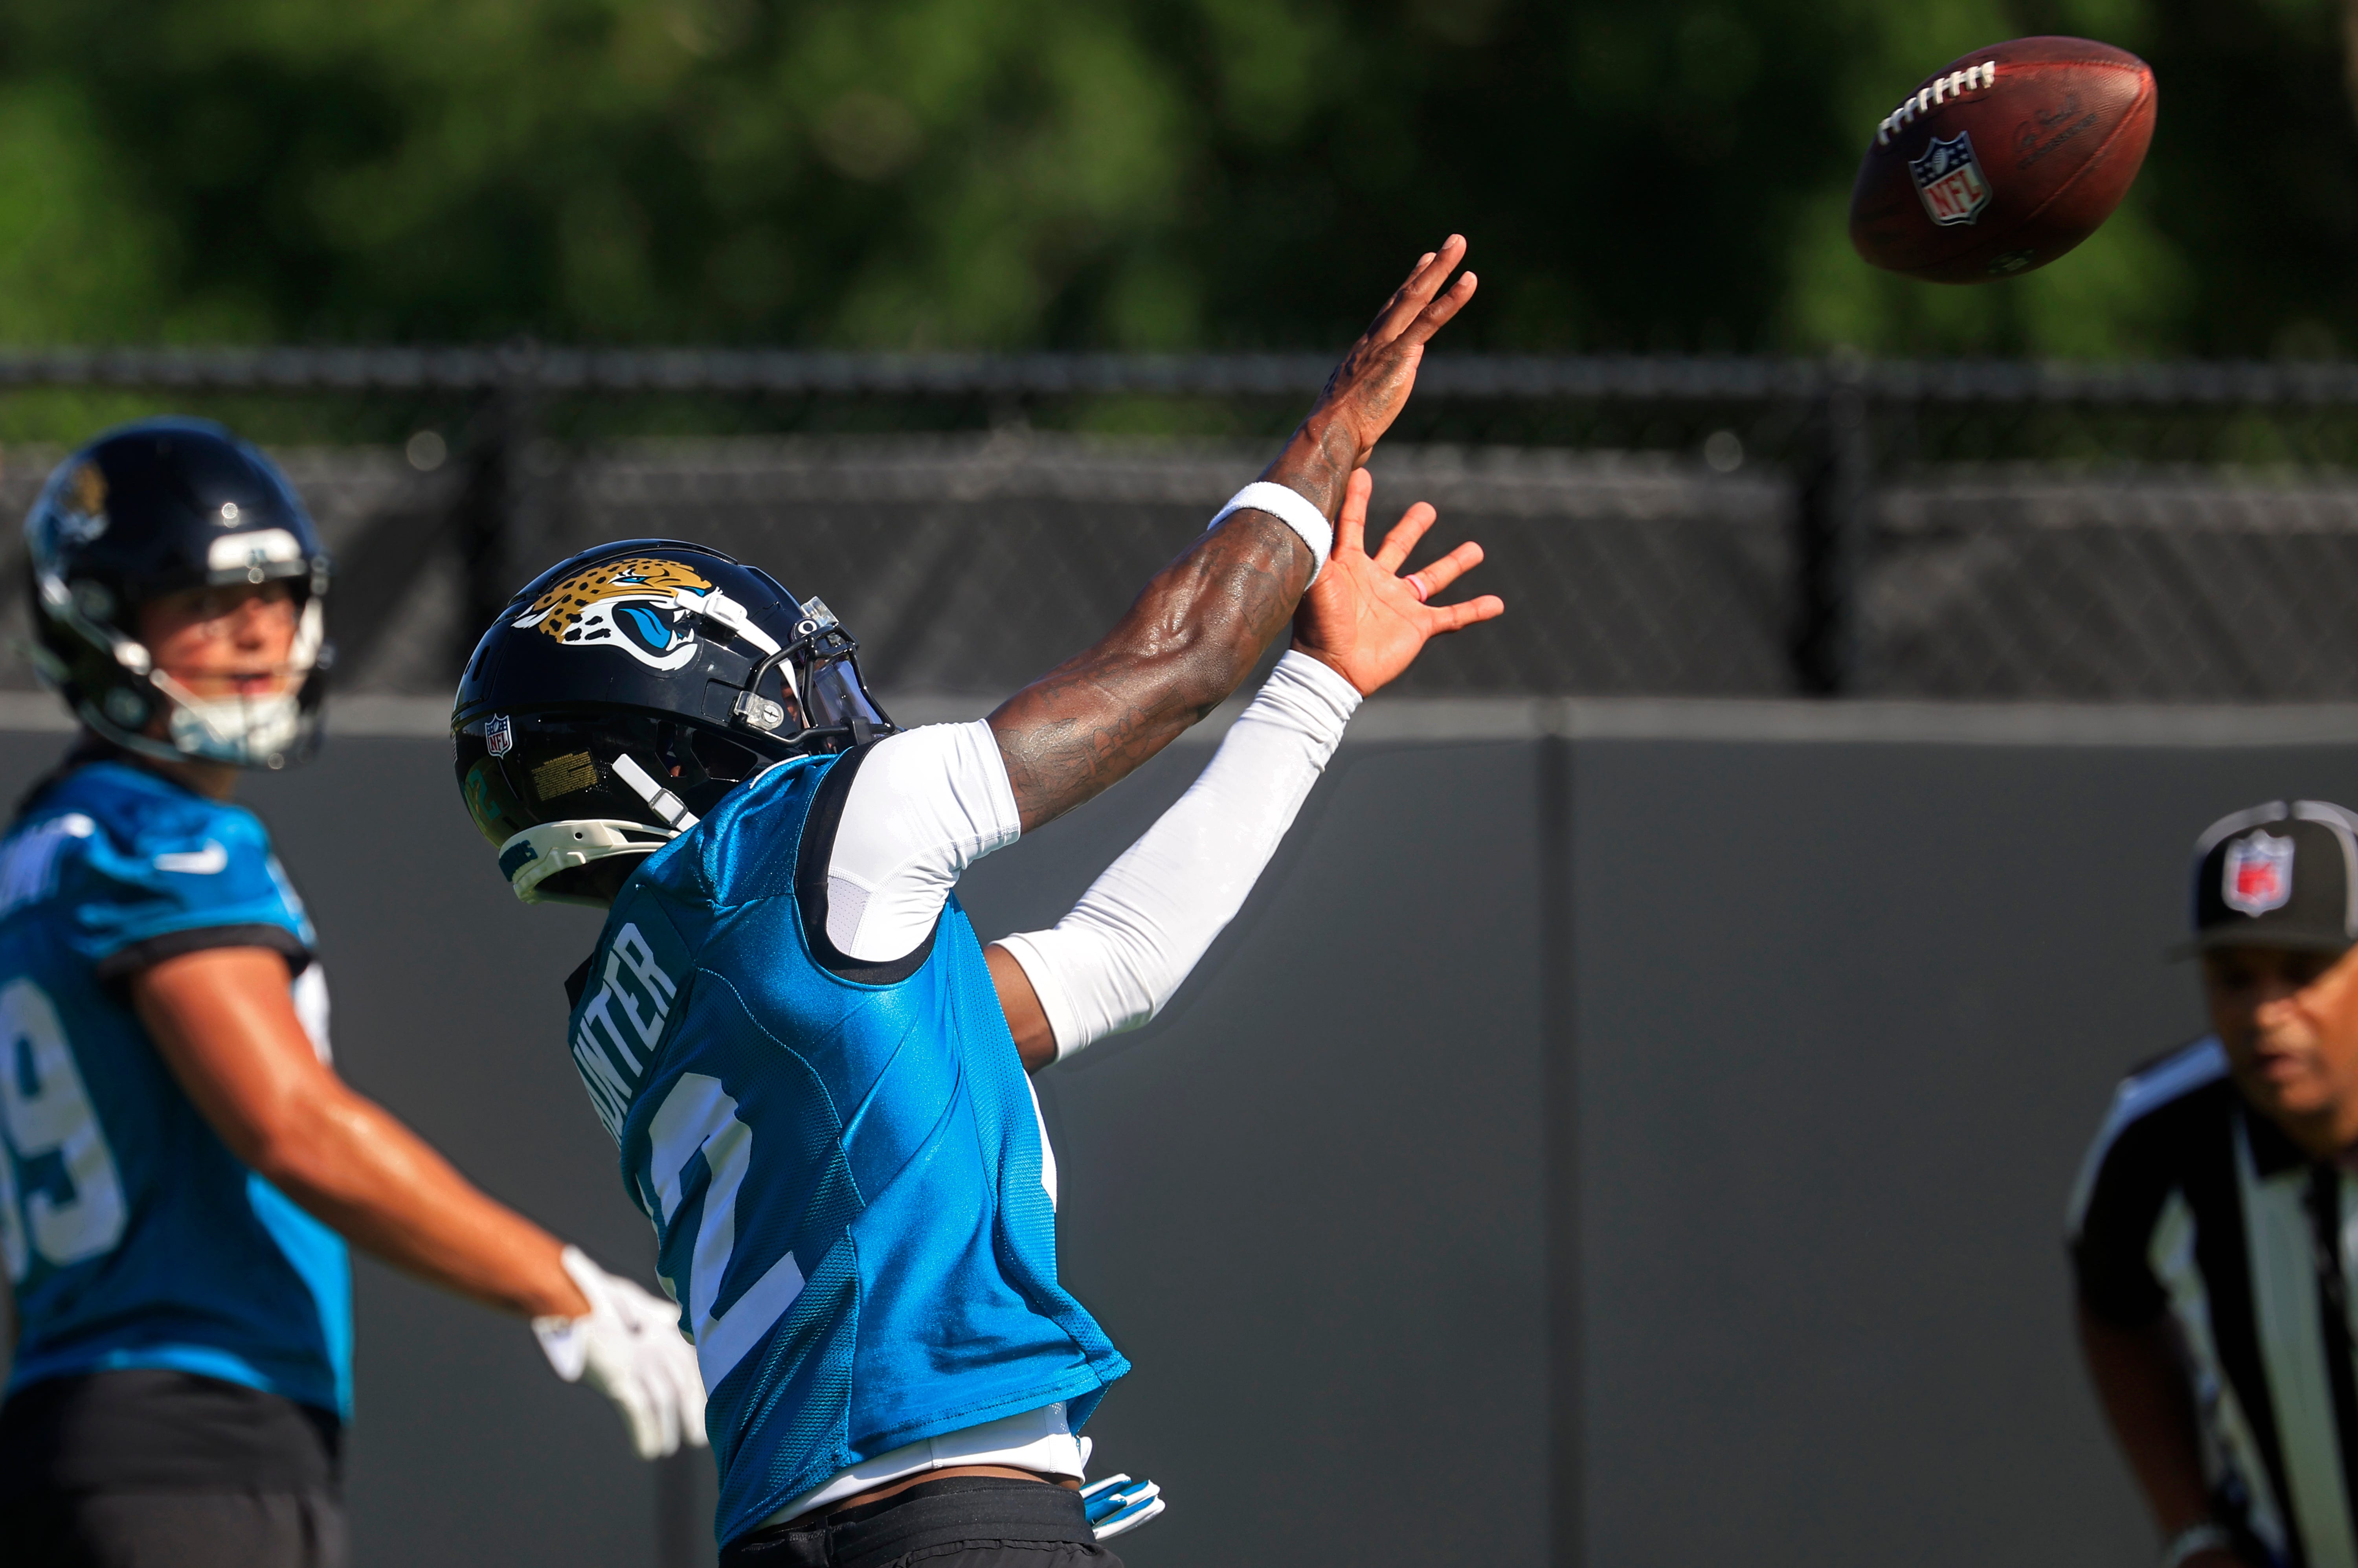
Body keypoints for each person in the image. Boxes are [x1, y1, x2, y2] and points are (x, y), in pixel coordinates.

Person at [447, 238, 1501, 1564]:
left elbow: (1115, 962)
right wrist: (1337, 429)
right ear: (678, 718)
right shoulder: (802, 840)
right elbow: (1179, 660)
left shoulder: (648, 995)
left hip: (792, 1533)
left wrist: (1319, 687)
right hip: (954, 1516)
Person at [0, 419, 707, 1568]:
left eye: (275, 594)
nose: (257, 631)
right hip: (198, 1443)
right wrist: (561, 1286)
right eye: (202, 599)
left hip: (69, 1426)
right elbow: (290, 1122)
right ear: (102, 621)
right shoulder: (164, 840)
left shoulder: (41, 847)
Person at [2072, 799, 2358, 1568]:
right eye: (2235, 977)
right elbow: (2112, 1306)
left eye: (2302, 974)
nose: (2265, 1013)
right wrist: (2191, 1531)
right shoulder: (2162, 1140)